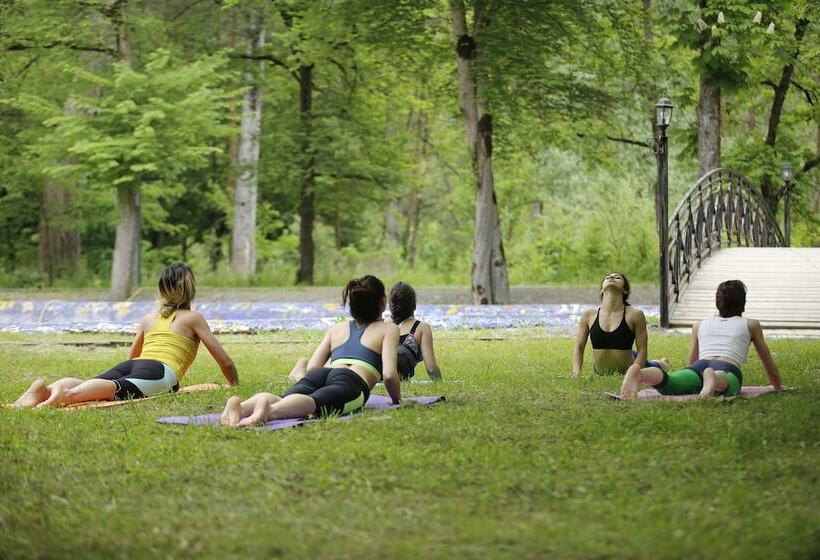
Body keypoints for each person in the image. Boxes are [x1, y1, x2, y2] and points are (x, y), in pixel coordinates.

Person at [13, 263, 238, 408]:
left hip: (133, 365)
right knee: (109, 390)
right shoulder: (193, 318)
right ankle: (59, 395)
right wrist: (235, 384)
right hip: (161, 373)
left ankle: (45, 390)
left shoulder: (149, 318)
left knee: (95, 384)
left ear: (162, 290)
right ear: (191, 290)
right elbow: (224, 360)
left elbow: (133, 357)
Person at [221, 275, 400, 427]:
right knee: (315, 404)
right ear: (383, 302)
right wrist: (396, 401)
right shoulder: (388, 329)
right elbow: (390, 374)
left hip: (321, 375)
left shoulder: (336, 329)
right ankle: (269, 411)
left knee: (283, 397)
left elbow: (313, 368)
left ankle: (242, 407)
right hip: (353, 381)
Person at [619, 280, 782, 398]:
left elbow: (692, 359)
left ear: (718, 302)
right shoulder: (751, 325)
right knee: (730, 385)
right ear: (743, 303)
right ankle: (714, 379)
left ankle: (640, 374)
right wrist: (777, 385)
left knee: (671, 383)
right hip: (727, 366)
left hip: (699, 365)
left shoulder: (700, 324)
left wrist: (691, 377)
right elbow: (767, 361)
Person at [572, 272, 666, 376]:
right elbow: (579, 347)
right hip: (600, 371)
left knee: (654, 366)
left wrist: (633, 375)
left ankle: (660, 362)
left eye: (617, 277)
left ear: (625, 290)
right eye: (607, 277)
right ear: (601, 290)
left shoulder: (635, 315)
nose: (611, 277)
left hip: (629, 366)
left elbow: (642, 351)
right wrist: (576, 374)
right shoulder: (589, 315)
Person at [388, 282, 443, 381]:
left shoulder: (385, 325)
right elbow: (431, 368)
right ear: (414, 305)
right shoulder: (422, 328)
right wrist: (441, 383)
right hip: (394, 375)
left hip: (374, 373)